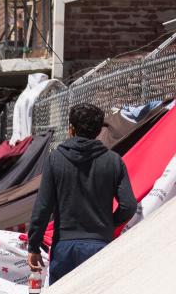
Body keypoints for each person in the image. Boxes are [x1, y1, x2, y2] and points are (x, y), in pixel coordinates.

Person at [28, 103, 137, 284]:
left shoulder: (55, 159)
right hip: (100, 246)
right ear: (99, 131)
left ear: (71, 129)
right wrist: (108, 225)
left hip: (64, 248)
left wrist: (34, 247)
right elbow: (129, 205)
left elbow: (43, 207)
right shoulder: (113, 161)